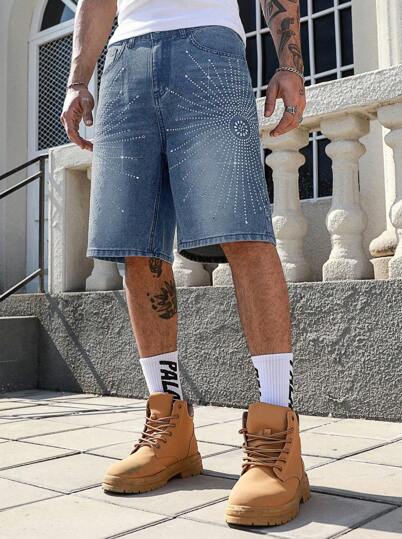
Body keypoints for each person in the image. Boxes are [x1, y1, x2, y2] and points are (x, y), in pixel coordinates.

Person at [61, 0, 308, 527]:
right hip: (122, 62)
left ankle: (276, 431)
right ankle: (168, 423)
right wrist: (78, 80)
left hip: (208, 47)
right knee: (137, 248)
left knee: (242, 233)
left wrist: (289, 63)